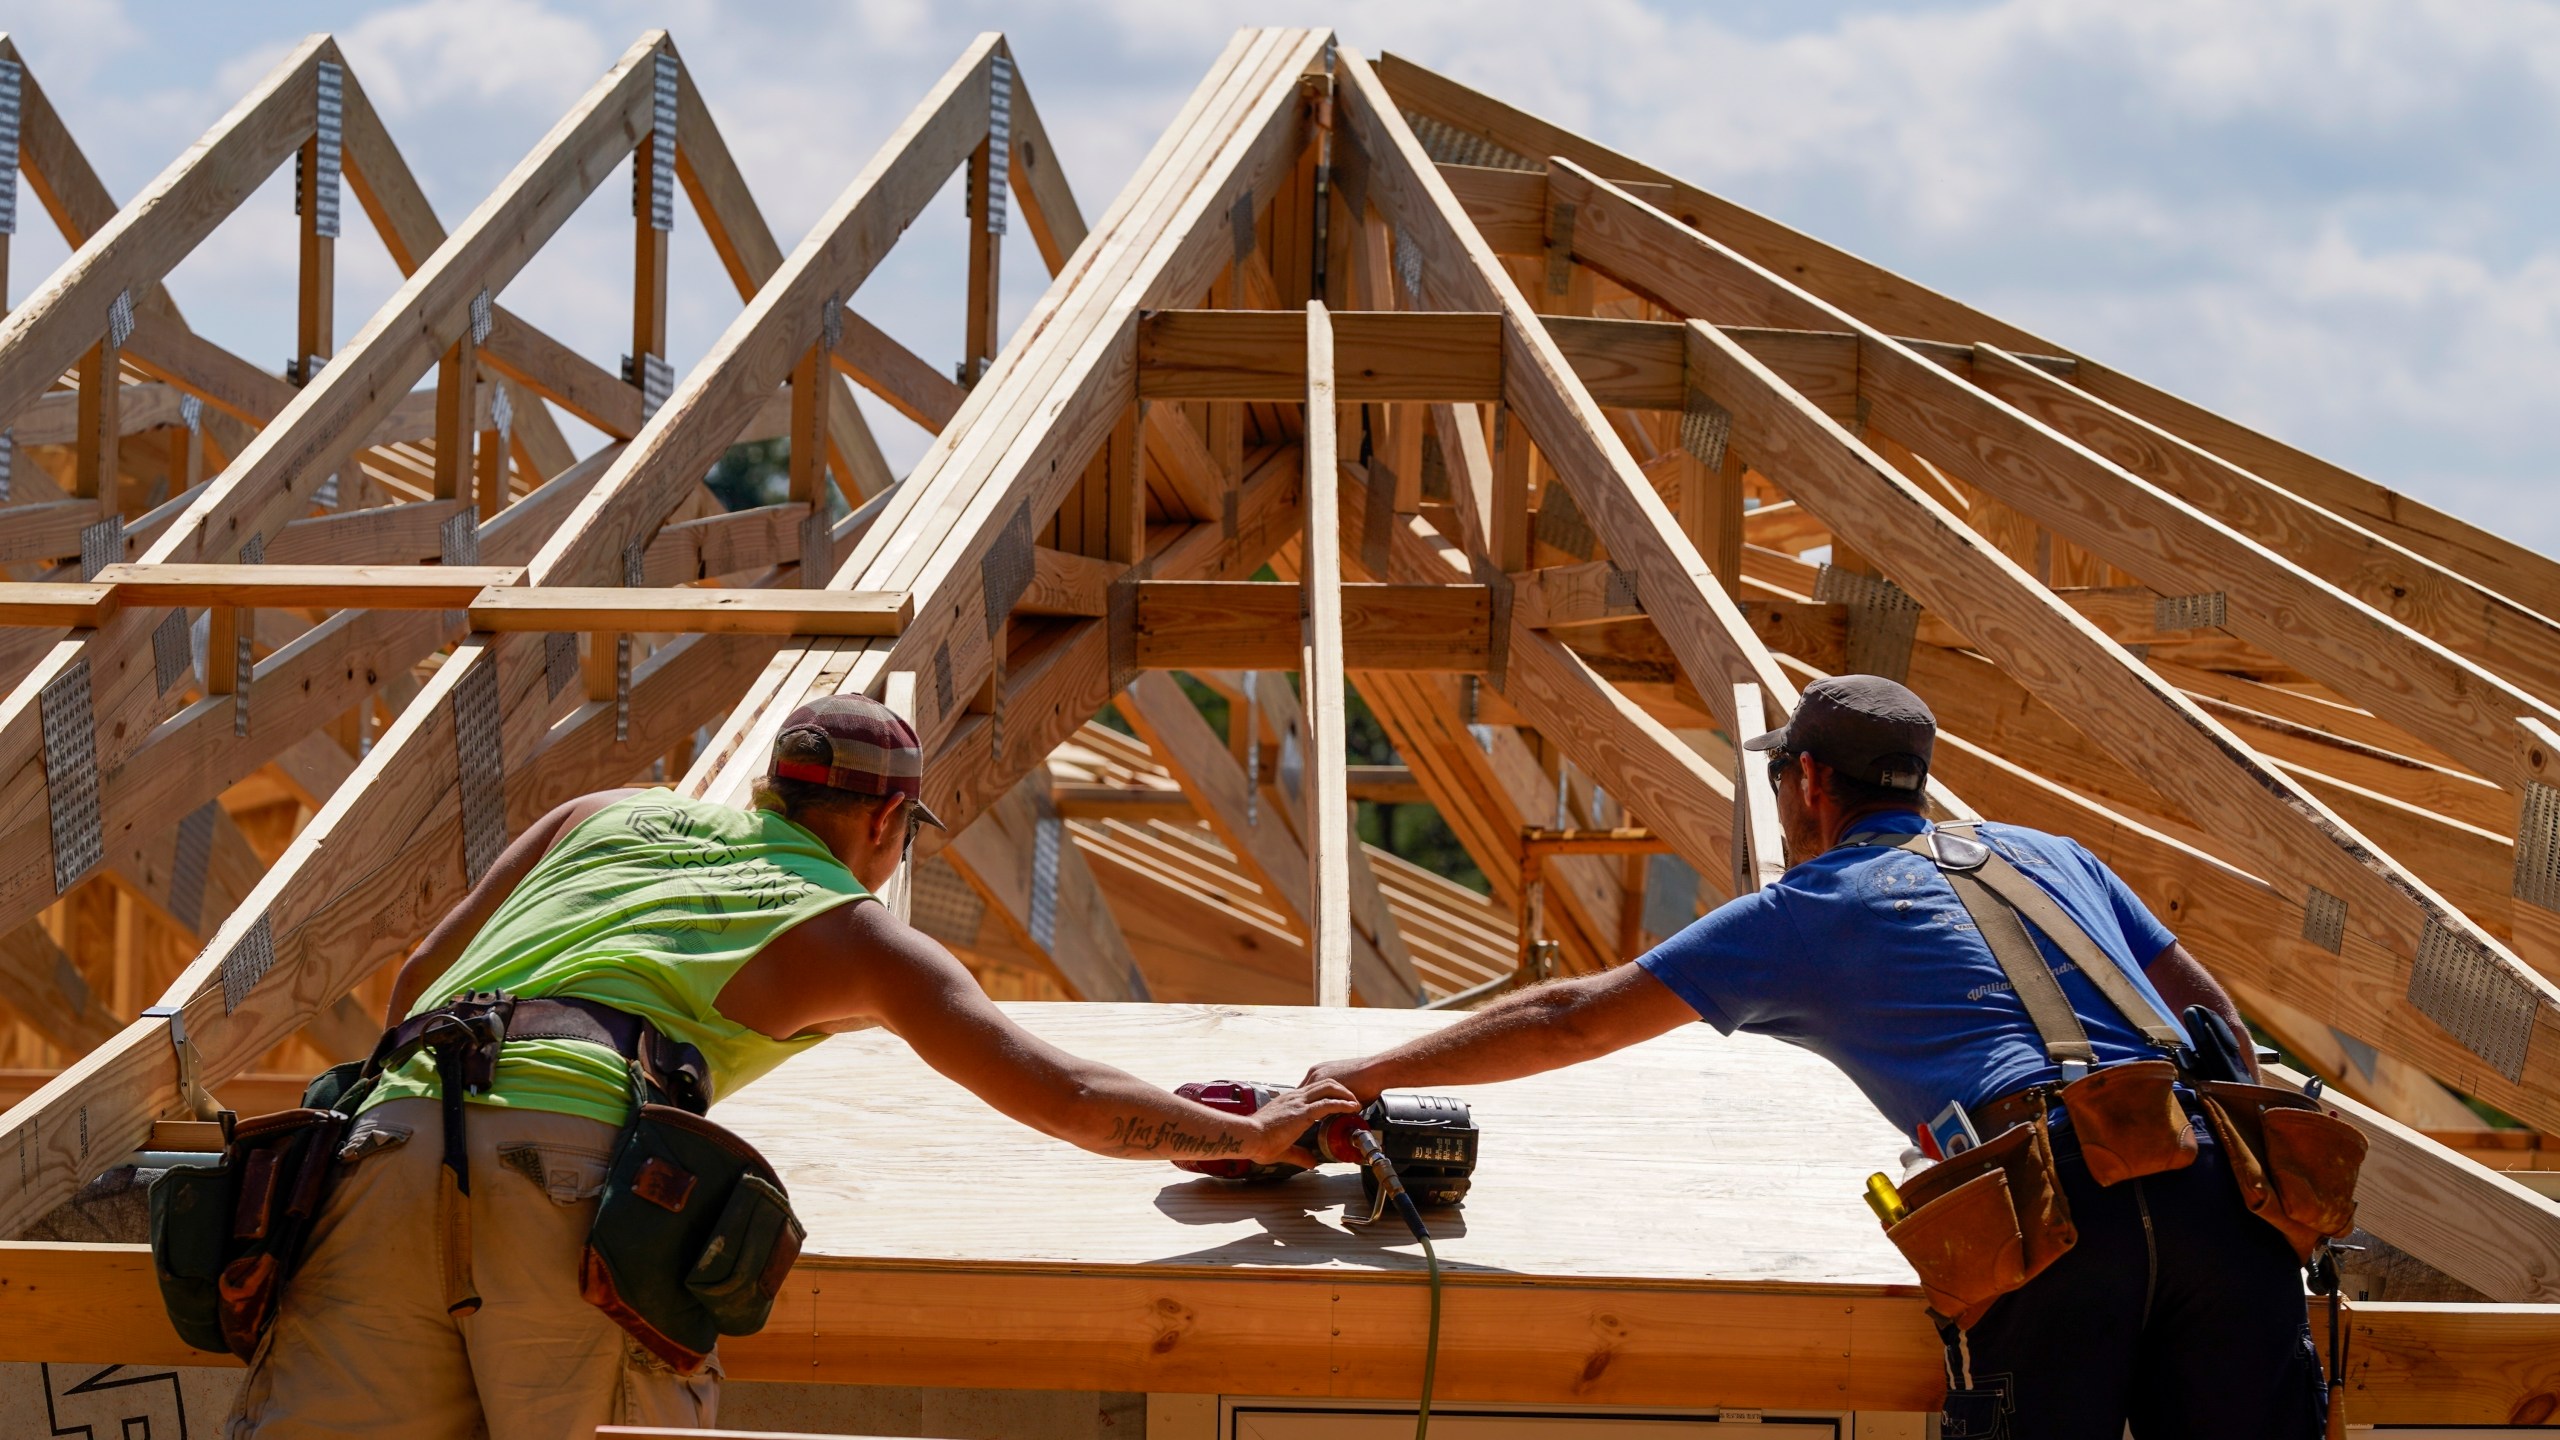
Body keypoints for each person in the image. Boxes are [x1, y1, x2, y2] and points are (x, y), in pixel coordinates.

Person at [227, 694, 1356, 1439]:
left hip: (384, 1143)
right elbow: (1061, 1095)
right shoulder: (847, 930)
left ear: (773, 787)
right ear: (889, 822)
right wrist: (1245, 1135)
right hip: (565, 1179)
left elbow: (417, 984)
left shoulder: (601, 816)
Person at [1301, 675, 2326, 1439]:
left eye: (1784, 780)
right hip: (2221, 1193)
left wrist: (1364, 1077)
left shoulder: (1809, 910)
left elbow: (1575, 1015)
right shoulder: (2059, 858)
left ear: (1810, 783)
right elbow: (2213, 1018)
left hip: (2052, 1218)